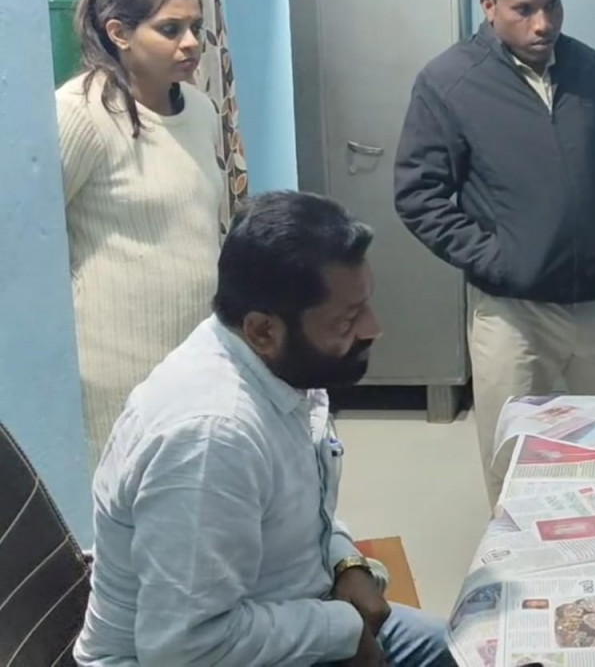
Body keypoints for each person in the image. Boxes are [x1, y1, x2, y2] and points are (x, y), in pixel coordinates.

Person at [74, 192, 455, 667]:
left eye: (365, 306)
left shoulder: (280, 367)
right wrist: (342, 629)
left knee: (470, 648)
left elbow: (296, 519)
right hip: (199, 656)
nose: (372, 328)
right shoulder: (212, 438)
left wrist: (346, 562)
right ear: (262, 331)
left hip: (287, 613)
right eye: (347, 319)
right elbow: (182, 648)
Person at [395, 0, 595, 505]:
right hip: (512, 313)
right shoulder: (449, 82)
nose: (543, 23)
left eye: (552, 4)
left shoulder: (587, 67)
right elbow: (419, 196)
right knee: (514, 459)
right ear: (489, 6)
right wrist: (499, 261)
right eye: (524, 9)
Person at [56, 0, 227, 462]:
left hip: (197, 349)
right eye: (170, 29)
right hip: (113, 365)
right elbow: (25, 236)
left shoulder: (200, 110)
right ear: (119, 34)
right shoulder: (79, 113)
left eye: (195, 27)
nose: (191, 43)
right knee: (125, 490)